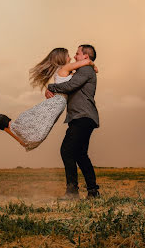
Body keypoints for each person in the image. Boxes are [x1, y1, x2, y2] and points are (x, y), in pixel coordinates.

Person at [0, 48, 97, 151]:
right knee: (37, 136)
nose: (71, 57)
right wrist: (93, 65)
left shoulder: (67, 70)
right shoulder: (65, 68)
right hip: (56, 104)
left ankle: (3, 125)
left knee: (32, 140)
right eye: (68, 55)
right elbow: (86, 62)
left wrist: (50, 89)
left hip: (57, 104)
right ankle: (4, 121)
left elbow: (73, 80)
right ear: (62, 58)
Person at [46, 44, 100, 199]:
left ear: (85, 56)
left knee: (67, 151)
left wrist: (50, 86)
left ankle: (72, 192)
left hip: (82, 117)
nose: (75, 57)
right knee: (80, 155)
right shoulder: (83, 70)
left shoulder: (85, 70)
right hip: (82, 117)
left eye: (78, 54)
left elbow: (70, 86)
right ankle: (93, 192)